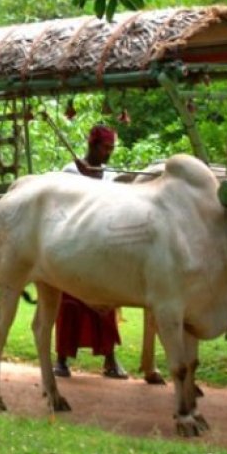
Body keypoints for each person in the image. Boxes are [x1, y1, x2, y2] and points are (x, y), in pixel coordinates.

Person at [54, 124, 128, 380]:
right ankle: (61, 360)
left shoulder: (109, 176)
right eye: (106, 148)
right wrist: (83, 180)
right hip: (73, 248)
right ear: (93, 147)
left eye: (111, 149)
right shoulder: (69, 172)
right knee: (69, 303)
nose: (109, 154)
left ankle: (110, 360)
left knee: (105, 304)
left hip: (99, 251)